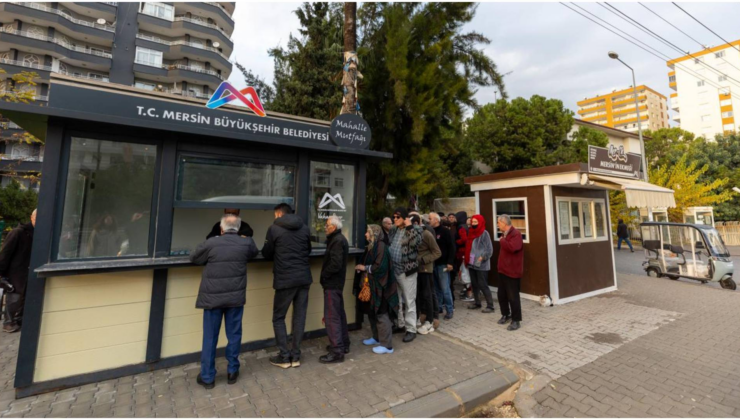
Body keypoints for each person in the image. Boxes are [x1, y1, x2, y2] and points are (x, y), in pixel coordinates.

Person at [189, 214, 259, 388]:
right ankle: (232, 371)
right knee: (234, 334)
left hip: (212, 299)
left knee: (210, 337)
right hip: (235, 298)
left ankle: (207, 377)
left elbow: (194, 257)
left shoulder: (212, 242)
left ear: (221, 229)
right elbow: (254, 253)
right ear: (238, 228)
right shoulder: (246, 243)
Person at [262, 203, 312, 368]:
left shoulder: (274, 229)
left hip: (285, 280)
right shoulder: (304, 228)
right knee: (299, 318)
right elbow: (308, 250)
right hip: (303, 278)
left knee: (278, 317)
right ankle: (295, 356)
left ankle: (284, 357)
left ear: (278, 214)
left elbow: (267, 253)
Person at [355, 225, 398, 354]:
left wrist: (364, 268)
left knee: (381, 314)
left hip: (382, 287)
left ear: (374, 234)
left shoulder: (380, 246)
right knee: (372, 313)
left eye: (368, 232)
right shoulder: (372, 246)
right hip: (373, 286)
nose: (365, 235)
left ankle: (387, 345)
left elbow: (381, 267)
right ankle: (377, 337)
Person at [388, 207, 422, 343]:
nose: (394, 219)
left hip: (406, 272)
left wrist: (409, 227)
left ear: (405, 218)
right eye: (393, 217)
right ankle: (401, 324)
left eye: (397, 217)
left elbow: (415, 243)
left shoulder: (416, 229)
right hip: (394, 270)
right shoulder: (395, 230)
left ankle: (411, 329)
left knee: (409, 300)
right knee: (397, 300)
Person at [319, 215, 350, 364]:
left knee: (332, 317)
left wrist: (324, 275)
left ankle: (337, 350)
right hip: (336, 283)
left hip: (333, 283)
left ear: (334, 227)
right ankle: (343, 344)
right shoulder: (338, 239)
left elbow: (336, 264)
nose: (325, 228)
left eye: (327, 225)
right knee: (338, 313)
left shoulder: (337, 241)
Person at [0, 209, 35, 333]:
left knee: (23, 298)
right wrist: (1, 272)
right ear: (32, 217)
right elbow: (5, 253)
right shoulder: (17, 233)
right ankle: (8, 322)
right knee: (14, 298)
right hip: (16, 272)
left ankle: (18, 320)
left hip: (27, 271)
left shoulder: (37, 233)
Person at [413, 215, 441, 335]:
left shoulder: (426, 234)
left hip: (425, 269)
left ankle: (430, 321)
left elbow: (437, 252)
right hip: (415, 269)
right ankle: (421, 318)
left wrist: (424, 260)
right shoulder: (412, 234)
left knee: (428, 295)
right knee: (418, 295)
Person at [496, 214, 524, 331]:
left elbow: (513, 248)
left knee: (513, 297)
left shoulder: (516, 234)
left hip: (512, 271)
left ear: (504, 223)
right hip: (503, 270)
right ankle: (505, 314)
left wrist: (502, 241)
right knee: (501, 295)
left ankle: (516, 320)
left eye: (499, 222)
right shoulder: (505, 234)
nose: (497, 225)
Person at [465, 215, 495, 313]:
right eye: (472, 222)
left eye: (475, 222)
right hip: (471, 263)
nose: (473, 224)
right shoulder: (471, 232)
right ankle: (477, 303)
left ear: (480, 222)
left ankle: (490, 306)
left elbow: (489, 249)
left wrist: (482, 257)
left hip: (481, 264)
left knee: (483, 284)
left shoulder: (484, 233)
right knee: (474, 284)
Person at [430, 213, 455, 320]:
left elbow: (452, 247)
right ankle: (439, 307)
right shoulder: (430, 232)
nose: (429, 220)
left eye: (430, 219)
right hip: (433, 264)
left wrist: (450, 262)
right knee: (436, 289)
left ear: (436, 220)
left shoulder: (445, 231)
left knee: (445, 289)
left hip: (443, 264)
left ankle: (449, 310)